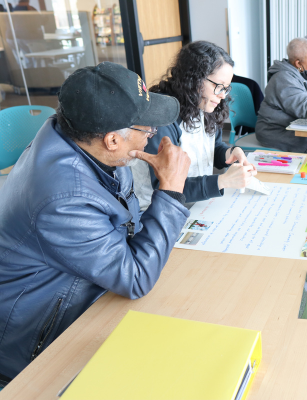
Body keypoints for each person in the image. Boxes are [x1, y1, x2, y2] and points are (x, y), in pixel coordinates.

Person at [0, 62, 191, 384]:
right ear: (112, 139)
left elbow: (125, 223)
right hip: (39, 339)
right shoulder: (63, 200)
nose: (150, 139)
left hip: (85, 294)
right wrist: (170, 191)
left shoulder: (83, 139)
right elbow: (135, 279)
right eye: (147, 130)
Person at [131, 41, 256, 211]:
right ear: (194, 78)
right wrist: (222, 181)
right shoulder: (162, 118)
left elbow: (214, 145)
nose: (222, 95)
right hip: (157, 211)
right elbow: (166, 187)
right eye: (218, 86)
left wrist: (230, 152)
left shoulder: (205, 103)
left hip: (195, 202)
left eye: (226, 88)